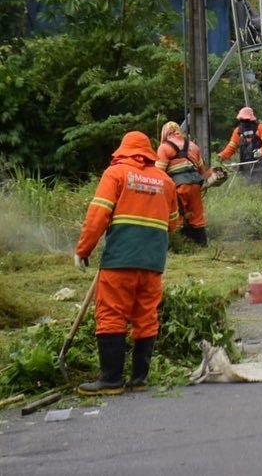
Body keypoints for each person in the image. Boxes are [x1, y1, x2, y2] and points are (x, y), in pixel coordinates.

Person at [73, 131, 180, 395]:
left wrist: (83, 250)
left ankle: (111, 380)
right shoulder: (166, 181)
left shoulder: (116, 173)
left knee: (111, 314)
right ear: (149, 152)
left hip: (120, 261)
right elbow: (174, 223)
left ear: (123, 150)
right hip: (153, 264)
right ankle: (139, 379)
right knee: (146, 316)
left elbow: (98, 214)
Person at [155, 121, 208, 245]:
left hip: (178, 187)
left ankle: (179, 244)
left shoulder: (164, 148)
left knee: (178, 215)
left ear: (165, 133)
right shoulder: (193, 146)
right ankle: (202, 243)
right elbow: (201, 169)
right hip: (195, 185)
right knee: (197, 215)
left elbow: (158, 173)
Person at [218, 106, 262, 186]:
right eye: (242, 120)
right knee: (248, 187)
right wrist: (222, 155)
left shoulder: (260, 128)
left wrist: (261, 151)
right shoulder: (237, 131)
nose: (244, 122)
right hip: (245, 165)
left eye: (246, 120)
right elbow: (231, 147)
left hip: (260, 164)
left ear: (252, 119)